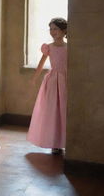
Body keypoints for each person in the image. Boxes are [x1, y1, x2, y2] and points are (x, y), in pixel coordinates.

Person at [27, 17, 67, 155]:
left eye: (55, 28)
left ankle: (65, 140)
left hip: (65, 80)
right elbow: (41, 64)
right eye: (51, 29)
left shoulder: (69, 47)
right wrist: (34, 78)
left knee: (64, 109)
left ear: (64, 30)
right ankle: (55, 142)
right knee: (53, 110)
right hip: (52, 81)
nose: (52, 31)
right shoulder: (48, 47)